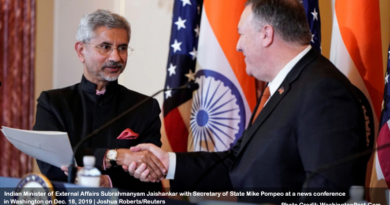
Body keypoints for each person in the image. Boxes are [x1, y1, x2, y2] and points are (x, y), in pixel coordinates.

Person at [124, 0, 368, 203]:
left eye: (241, 34)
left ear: (266, 34)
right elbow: (236, 163)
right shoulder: (284, 86)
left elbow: (327, 191)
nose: (238, 46)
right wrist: (168, 162)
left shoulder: (323, 90)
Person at [33, 9, 165, 190]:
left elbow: (151, 175)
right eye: (105, 47)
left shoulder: (145, 107)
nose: (116, 57)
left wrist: (108, 182)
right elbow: (52, 164)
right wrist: (118, 156)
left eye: (122, 48)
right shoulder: (53, 103)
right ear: (81, 51)